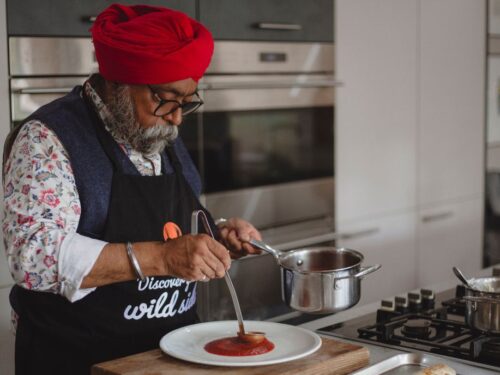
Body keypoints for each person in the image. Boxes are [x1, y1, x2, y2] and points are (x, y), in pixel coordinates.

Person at [2, 4, 261, 374]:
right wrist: (163, 258)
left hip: (171, 359)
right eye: (166, 99)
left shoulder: (157, 128)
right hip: (78, 361)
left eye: (186, 103)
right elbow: (34, 258)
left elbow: (162, 225)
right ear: (121, 84)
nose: (175, 118)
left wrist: (216, 237)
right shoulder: (48, 138)